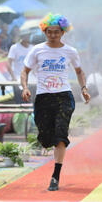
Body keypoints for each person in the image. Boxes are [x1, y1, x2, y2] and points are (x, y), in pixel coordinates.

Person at [21, 13, 91, 191]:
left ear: (63, 32)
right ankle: (48, 143)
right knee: (46, 138)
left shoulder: (70, 51)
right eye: (49, 32)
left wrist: (84, 89)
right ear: (44, 32)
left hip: (64, 97)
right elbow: (25, 71)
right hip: (44, 97)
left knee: (60, 136)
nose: (53, 35)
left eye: (57, 32)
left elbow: (79, 71)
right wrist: (25, 87)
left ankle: (55, 177)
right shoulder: (37, 50)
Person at [7, 29, 36, 103]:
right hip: (18, 78)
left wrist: (35, 74)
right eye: (26, 35)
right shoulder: (14, 47)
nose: (27, 37)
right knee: (20, 102)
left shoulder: (33, 48)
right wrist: (13, 78)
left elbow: (36, 63)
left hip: (31, 79)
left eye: (28, 35)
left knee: (32, 100)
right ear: (22, 36)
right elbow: (8, 64)